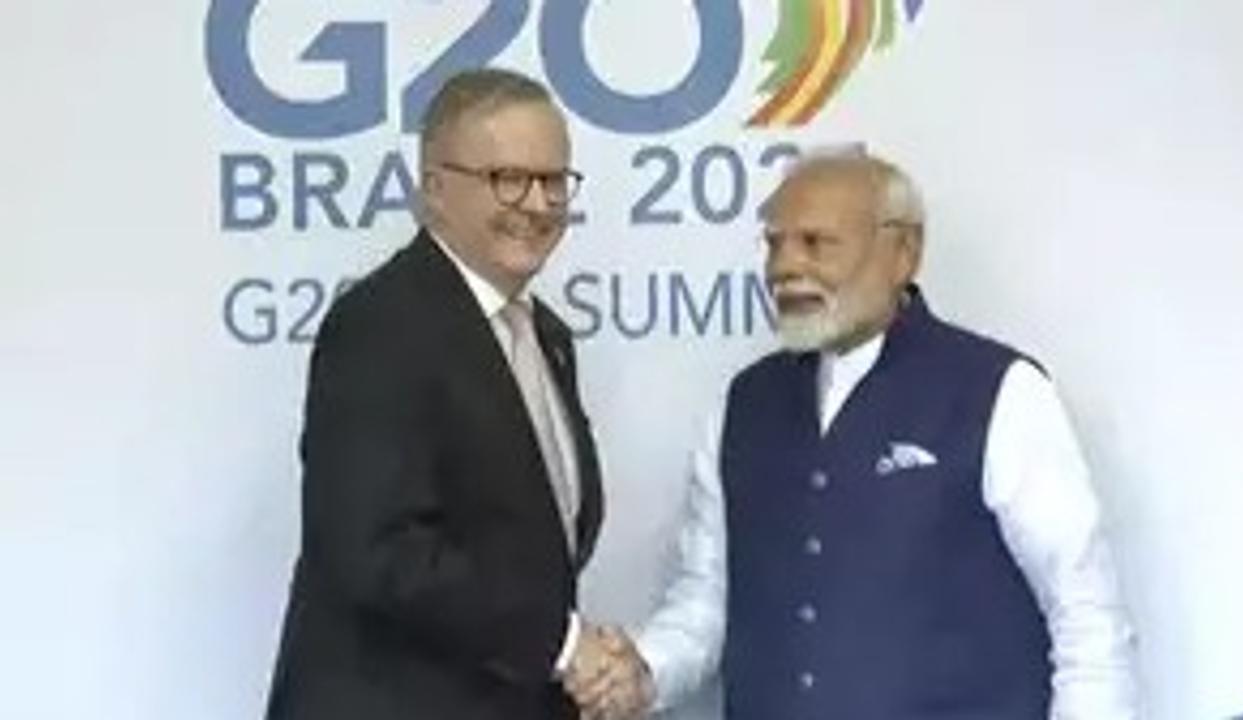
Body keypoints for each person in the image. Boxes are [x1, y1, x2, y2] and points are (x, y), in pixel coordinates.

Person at [575, 150, 1139, 719]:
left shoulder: (999, 391)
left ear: (903, 254)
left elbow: (1086, 617)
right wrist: (643, 676)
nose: (784, 267)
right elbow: (705, 604)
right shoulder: (742, 404)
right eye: (775, 244)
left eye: (816, 243)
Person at [265, 67, 615, 720]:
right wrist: (565, 646)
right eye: (508, 179)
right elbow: (380, 553)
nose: (538, 204)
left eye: (553, 180)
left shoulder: (546, 336)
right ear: (435, 189)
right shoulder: (379, 326)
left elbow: (540, 545)